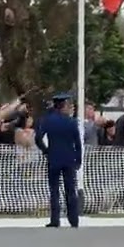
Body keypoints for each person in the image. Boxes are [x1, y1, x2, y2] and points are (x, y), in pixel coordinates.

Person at [34, 92, 82, 228]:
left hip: (54, 158)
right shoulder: (71, 122)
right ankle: (73, 219)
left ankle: (55, 219)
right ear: (64, 106)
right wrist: (78, 159)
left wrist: (46, 151)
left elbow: (38, 138)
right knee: (70, 190)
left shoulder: (47, 120)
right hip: (69, 159)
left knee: (54, 190)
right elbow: (77, 143)